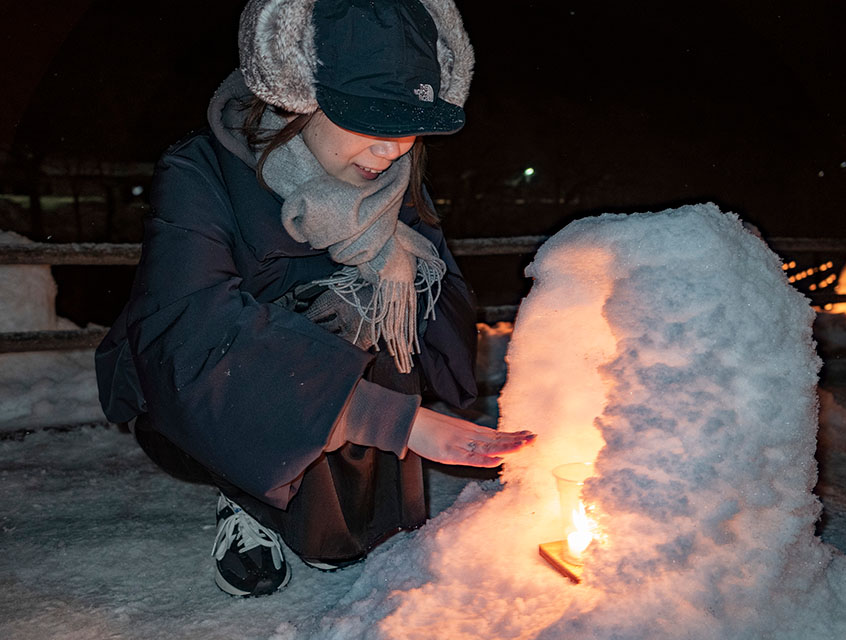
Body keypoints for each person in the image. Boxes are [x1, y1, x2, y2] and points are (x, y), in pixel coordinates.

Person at [95, 0, 535, 598]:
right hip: (204, 390)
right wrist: (394, 419)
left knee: (377, 305)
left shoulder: (394, 178)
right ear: (300, 98)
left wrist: (380, 309)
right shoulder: (199, 171)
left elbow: (440, 299)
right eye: (371, 121)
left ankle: (331, 505)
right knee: (319, 319)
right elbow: (186, 327)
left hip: (336, 379)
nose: (393, 151)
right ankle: (246, 490)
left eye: (407, 126)